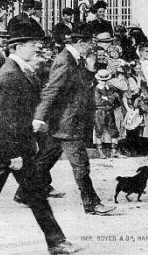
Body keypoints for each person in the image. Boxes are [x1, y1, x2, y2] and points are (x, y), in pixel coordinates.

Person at [0, 21, 77, 255]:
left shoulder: (19, 70)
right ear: (18, 47)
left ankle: (57, 242)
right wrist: (15, 154)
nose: (38, 49)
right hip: (8, 145)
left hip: (13, 143)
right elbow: (8, 119)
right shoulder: (10, 75)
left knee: (34, 193)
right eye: (33, 45)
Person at [33, 24, 115, 215]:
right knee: (81, 164)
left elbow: (78, 84)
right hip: (67, 123)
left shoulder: (75, 59)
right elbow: (52, 90)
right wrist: (39, 117)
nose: (92, 48)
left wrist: (90, 69)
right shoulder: (65, 60)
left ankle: (23, 192)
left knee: (45, 160)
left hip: (64, 122)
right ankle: (92, 203)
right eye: (90, 44)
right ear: (80, 43)